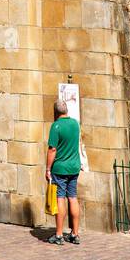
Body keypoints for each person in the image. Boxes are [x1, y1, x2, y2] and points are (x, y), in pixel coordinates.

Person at [45, 97, 82, 246]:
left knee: (60, 198)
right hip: (74, 166)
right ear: (66, 110)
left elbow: (52, 149)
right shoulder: (75, 124)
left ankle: (59, 234)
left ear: (55, 112)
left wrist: (48, 168)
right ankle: (75, 233)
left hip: (60, 168)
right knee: (72, 197)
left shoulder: (56, 126)